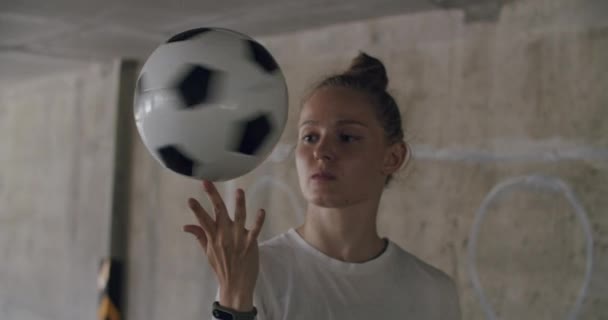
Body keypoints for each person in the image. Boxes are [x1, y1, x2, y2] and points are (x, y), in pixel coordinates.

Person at [183, 52, 461, 320]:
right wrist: (234, 299)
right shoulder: (256, 271)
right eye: (310, 137)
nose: (322, 152)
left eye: (347, 137)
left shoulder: (433, 292)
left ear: (392, 157)